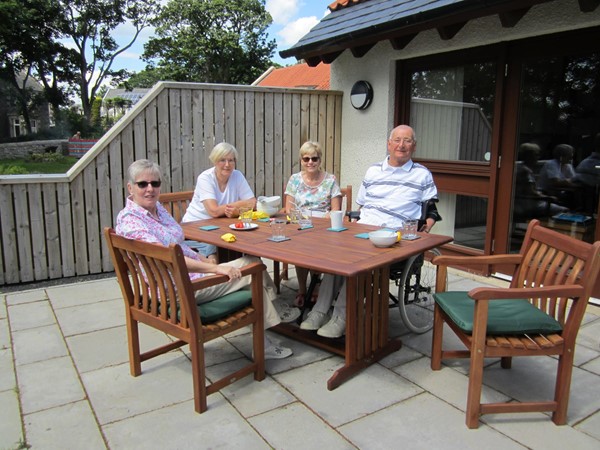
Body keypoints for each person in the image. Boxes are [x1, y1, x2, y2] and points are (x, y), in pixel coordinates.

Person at [116, 159, 300, 359]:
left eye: (155, 183)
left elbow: (179, 246)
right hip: (178, 289)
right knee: (252, 267)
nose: (150, 189)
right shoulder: (131, 221)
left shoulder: (156, 209)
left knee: (247, 272)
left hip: (184, 279)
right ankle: (270, 327)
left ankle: (270, 322)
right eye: (142, 184)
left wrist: (204, 258)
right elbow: (169, 259)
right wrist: (215, 269)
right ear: (130, 187)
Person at [300, 125, 440, 338]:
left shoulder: (422, 174)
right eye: (397, 140)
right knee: (334, 259)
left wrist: (426, 230)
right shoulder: (373, 170)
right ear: (389, 144)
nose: (401, 145)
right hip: (363, 229)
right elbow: (363, 207)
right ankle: (320, 310)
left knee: (358, 265)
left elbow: (431, 210)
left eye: (407, 141)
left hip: (394, 236)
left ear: (414, 146)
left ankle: (341, 317)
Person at [284, 141, 342, 306]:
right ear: (301, 160)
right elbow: (289, 209)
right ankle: (303, 289)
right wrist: (303, 220)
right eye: (306, 158)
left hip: (323, 228)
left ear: (320, 160)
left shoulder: (330, 180)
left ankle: (315, 286)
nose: (310, 162)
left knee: (316, 245)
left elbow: (336, 210)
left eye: (314, 158)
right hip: (300, 225)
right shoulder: (294, 179)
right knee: (299, 246)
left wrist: (322, 220)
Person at [182, 142, 256, 260]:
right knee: (215, 243)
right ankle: (216, 272)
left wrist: (236, 211)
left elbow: (253, 203)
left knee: (251, 238)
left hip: (220, 226)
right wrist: (238, 205)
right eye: (222, 160)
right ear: (215, 161)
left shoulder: (237, 176)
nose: (227, 165)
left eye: (231, 160)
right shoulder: (205, 178)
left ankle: (248, 270)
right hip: (195, 226)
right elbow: (214, 211)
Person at [513, 143, 568, 219]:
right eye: (536, 155)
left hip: (521, 203)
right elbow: (532, 193)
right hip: (529, 205)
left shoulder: (520, 168)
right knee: (564, 210)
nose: (538, 158)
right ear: (528, 156)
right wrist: (548, 197)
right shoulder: (525, 171)